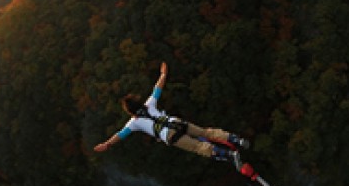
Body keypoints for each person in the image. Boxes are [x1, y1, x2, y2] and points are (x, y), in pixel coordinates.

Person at [94, 62, 249, 167]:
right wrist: (163, 74)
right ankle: (236, 139)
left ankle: (228, 154)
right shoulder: (149, 104)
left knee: (197, 146)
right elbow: (157, 88)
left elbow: (119, 135)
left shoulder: (133, 123)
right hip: (176, 122)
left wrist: (106, 144)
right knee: (205, 132)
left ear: (131, 112)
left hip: (168, 135)